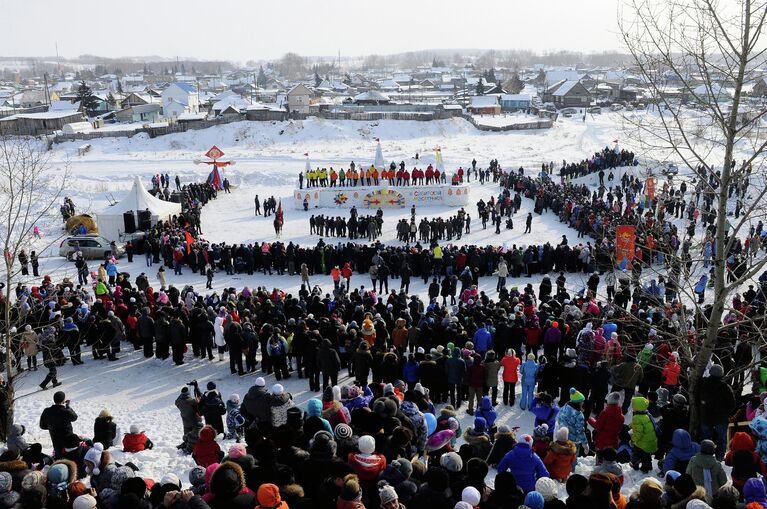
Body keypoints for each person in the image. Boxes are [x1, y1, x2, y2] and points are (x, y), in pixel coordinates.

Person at [697, 364, 734, 460]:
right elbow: (732, 404)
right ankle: (720, 457)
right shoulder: (725, 387)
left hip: (705, 417)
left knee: (706, 438)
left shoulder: (702, 384)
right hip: (721, 419)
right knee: (721, 439)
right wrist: (725, 413)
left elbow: (697, 399)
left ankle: (706, 456)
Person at [39, 391, 78, 456]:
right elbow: (74, 417)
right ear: (63, 400)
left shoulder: (47, 411)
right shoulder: (65, 411)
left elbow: (42, 425)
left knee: (59, 455)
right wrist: (68, 407)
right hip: (67, 438)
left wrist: (51, 426)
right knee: (69, 455)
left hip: (55, 438)